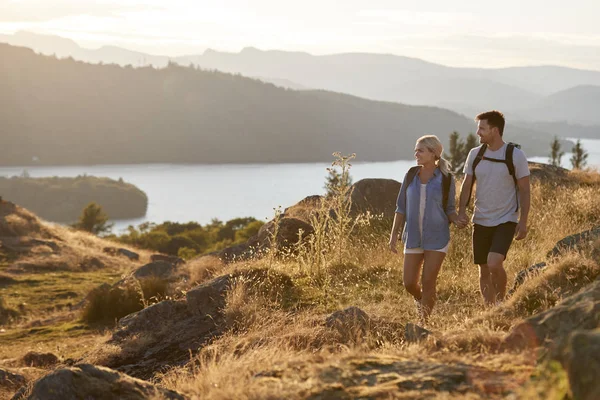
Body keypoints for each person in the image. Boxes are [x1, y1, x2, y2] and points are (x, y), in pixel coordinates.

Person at [457, 110, 531, 306]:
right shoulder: (475, 154)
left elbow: (525, 190)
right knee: (483, 269)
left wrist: (522, 222)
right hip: (480, 220)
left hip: (506, 219)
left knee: (494, 263)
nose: (478, 132)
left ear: (495, 130)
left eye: (482, 128)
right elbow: (466, 184)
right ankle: (490, 309)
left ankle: (501, 303)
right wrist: (461, 211)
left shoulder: (515, 155)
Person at [389, 135, 463, 322]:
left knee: (429, 282)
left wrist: (458, 220)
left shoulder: (446, 179)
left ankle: (423, 323)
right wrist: (393, 235)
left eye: (420, 150)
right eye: (416, 150)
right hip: (413, 236)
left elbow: (450, 209)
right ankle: (421, 299)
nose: (416, 153)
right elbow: (400, 207)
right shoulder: (411, 175)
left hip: (437, 238)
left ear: (433, 153)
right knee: (409, 283)